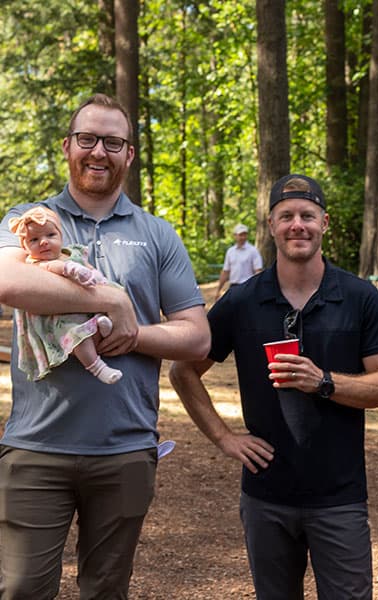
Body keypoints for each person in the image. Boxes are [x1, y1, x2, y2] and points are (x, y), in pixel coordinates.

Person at [0, 93, 210, 598]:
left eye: (113, 142)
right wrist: (110, 297)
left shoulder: (157, 234)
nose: (99, 151)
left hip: (125, 449)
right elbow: (7, 282)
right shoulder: (29, 219)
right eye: (88, 139)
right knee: (22, 590)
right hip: (35, 446)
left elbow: (196, 335)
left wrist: (133, 331)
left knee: (107, 590)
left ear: (129, 154)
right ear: (68, 146)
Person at [169, 173, 378, 600]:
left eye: (308, 215)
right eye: (287, 216)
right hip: (265, 496)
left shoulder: (358, 297)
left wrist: (324, 382)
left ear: (325, 223)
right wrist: (224, 438)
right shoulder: (243, 300)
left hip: (340, 497)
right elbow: (183, 372)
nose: (298, 224)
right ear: (272, 225)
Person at [9, 205, 122, 384]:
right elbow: (58, 268)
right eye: (34, 240)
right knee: (77, 337)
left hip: (89, 306)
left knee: (109, 299)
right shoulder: (36, 264)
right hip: (60, 318)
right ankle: (97, 367)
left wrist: (99, 279)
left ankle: (101, 327)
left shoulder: (72, 253)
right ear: (26, 247)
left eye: (50, 235)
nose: (43, 242)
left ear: (60, 236)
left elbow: (89, 268)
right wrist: (72, 269)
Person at [215, 222, 263, 297]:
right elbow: (225, 272)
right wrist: (219, 289)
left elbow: (258, 271)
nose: (243, 237)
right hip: (233, 287)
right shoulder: (230, 251)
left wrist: (257, 288)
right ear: (235, 236)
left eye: (245, 234)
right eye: (240, 235)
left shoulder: (253, 251)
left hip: (248, 287)